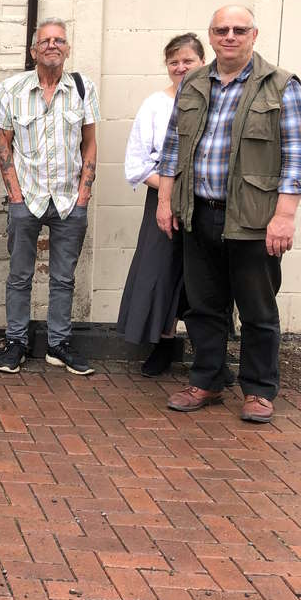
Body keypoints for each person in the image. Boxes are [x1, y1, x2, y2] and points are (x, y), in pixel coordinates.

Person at [157, 5, 301, 424]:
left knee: (258, 310)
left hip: (253, 219)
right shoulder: (192, 82)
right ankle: (207, 381)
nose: (230, 36)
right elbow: (173, 147)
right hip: (198, 212)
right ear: (210, 35)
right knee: (204, 307)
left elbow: (298, 158)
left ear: (253, 35)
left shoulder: (281, 86)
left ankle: (259, 391)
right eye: (221, 29)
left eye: (238, 30)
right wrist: (165, 201)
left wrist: (285, 217)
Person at [0, 17, 101, 376]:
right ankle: (17, 342)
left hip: (69, 200)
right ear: (33, 50)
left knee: (63, 278)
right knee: (19, 276)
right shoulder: (11, 89)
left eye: (59, 40)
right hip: (28, 198)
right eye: (45, 41)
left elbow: (90, 144)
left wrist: (83, 196)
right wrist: (15, 196)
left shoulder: (83, 89)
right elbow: (3, 145)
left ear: (67, 48)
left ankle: (58, 344)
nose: (52, 45)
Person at [115, 33, 205, 376]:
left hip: (209, 200)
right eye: (174, 62)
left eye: (188, 61)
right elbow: (137, 164)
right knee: (161, 274)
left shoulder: (219, 99)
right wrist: (172, 189)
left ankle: (207, 355)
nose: (180, 67)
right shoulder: (155, 104)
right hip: (163, 198)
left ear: (202, 61)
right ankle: (162, 347)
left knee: (205, 280)